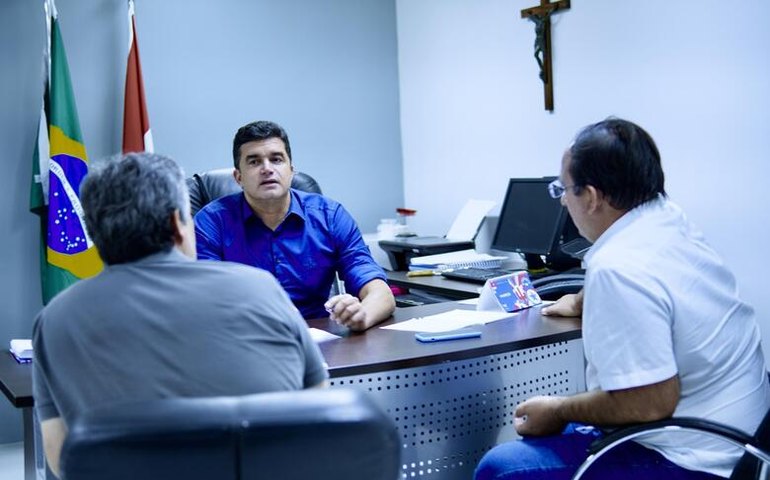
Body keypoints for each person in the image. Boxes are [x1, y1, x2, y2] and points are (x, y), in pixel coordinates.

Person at [475, 118, 770, 479]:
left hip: (691, 459)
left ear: (594, 197)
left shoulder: (618, 268)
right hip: (743, 442)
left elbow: (648, 402)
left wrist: (558, 410)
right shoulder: (665, 221)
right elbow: (658, 286)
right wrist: (582, 300)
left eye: (564, 189)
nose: (564, 202)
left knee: (502, 468)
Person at [32, 153, 328, 478]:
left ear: (95, 234)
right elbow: (316, 408)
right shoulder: (261, 288)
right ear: (177, 224)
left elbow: (63, 458)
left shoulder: (56, 320)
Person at [194, 120, 395, 331]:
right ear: (238, 177)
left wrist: (363, 314)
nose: (267, 169)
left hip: (319, 341)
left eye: (276, 159)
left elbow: (379, 291)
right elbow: (204, 300)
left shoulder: (329, 216)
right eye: (254, 162)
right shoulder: (212, 222)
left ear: (291, 170)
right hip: (244, 340)